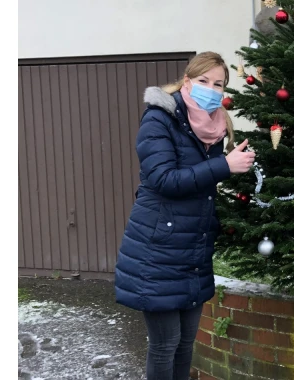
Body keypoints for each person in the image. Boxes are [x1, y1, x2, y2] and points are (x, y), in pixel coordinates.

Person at [114, 52, 255, 380]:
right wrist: (225, 166)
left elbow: (202, 188)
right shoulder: (160, 118)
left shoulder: (215, 127)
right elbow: (164, 180)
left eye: (218, 84)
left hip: (193, 249)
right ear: (187, 81)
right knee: (165, 345)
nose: (210, 88)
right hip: (158, 250)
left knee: (186, 343)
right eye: (203, 80)